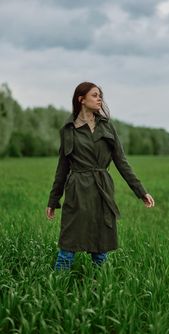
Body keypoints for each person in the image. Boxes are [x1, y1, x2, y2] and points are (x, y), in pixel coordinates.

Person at [46, 81, 154, 270]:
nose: (99, 99)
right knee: (68, 246)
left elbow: (122, 162)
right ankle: (57, 288)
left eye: (100, 95)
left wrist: (141, 191)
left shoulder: (107, 127)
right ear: (82, 99)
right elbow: (62, 167)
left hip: (102, 190)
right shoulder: (68, 130)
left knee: (100, 247)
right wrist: (54, 199)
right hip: (77, 191)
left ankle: (101, 289)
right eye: (95, 95)